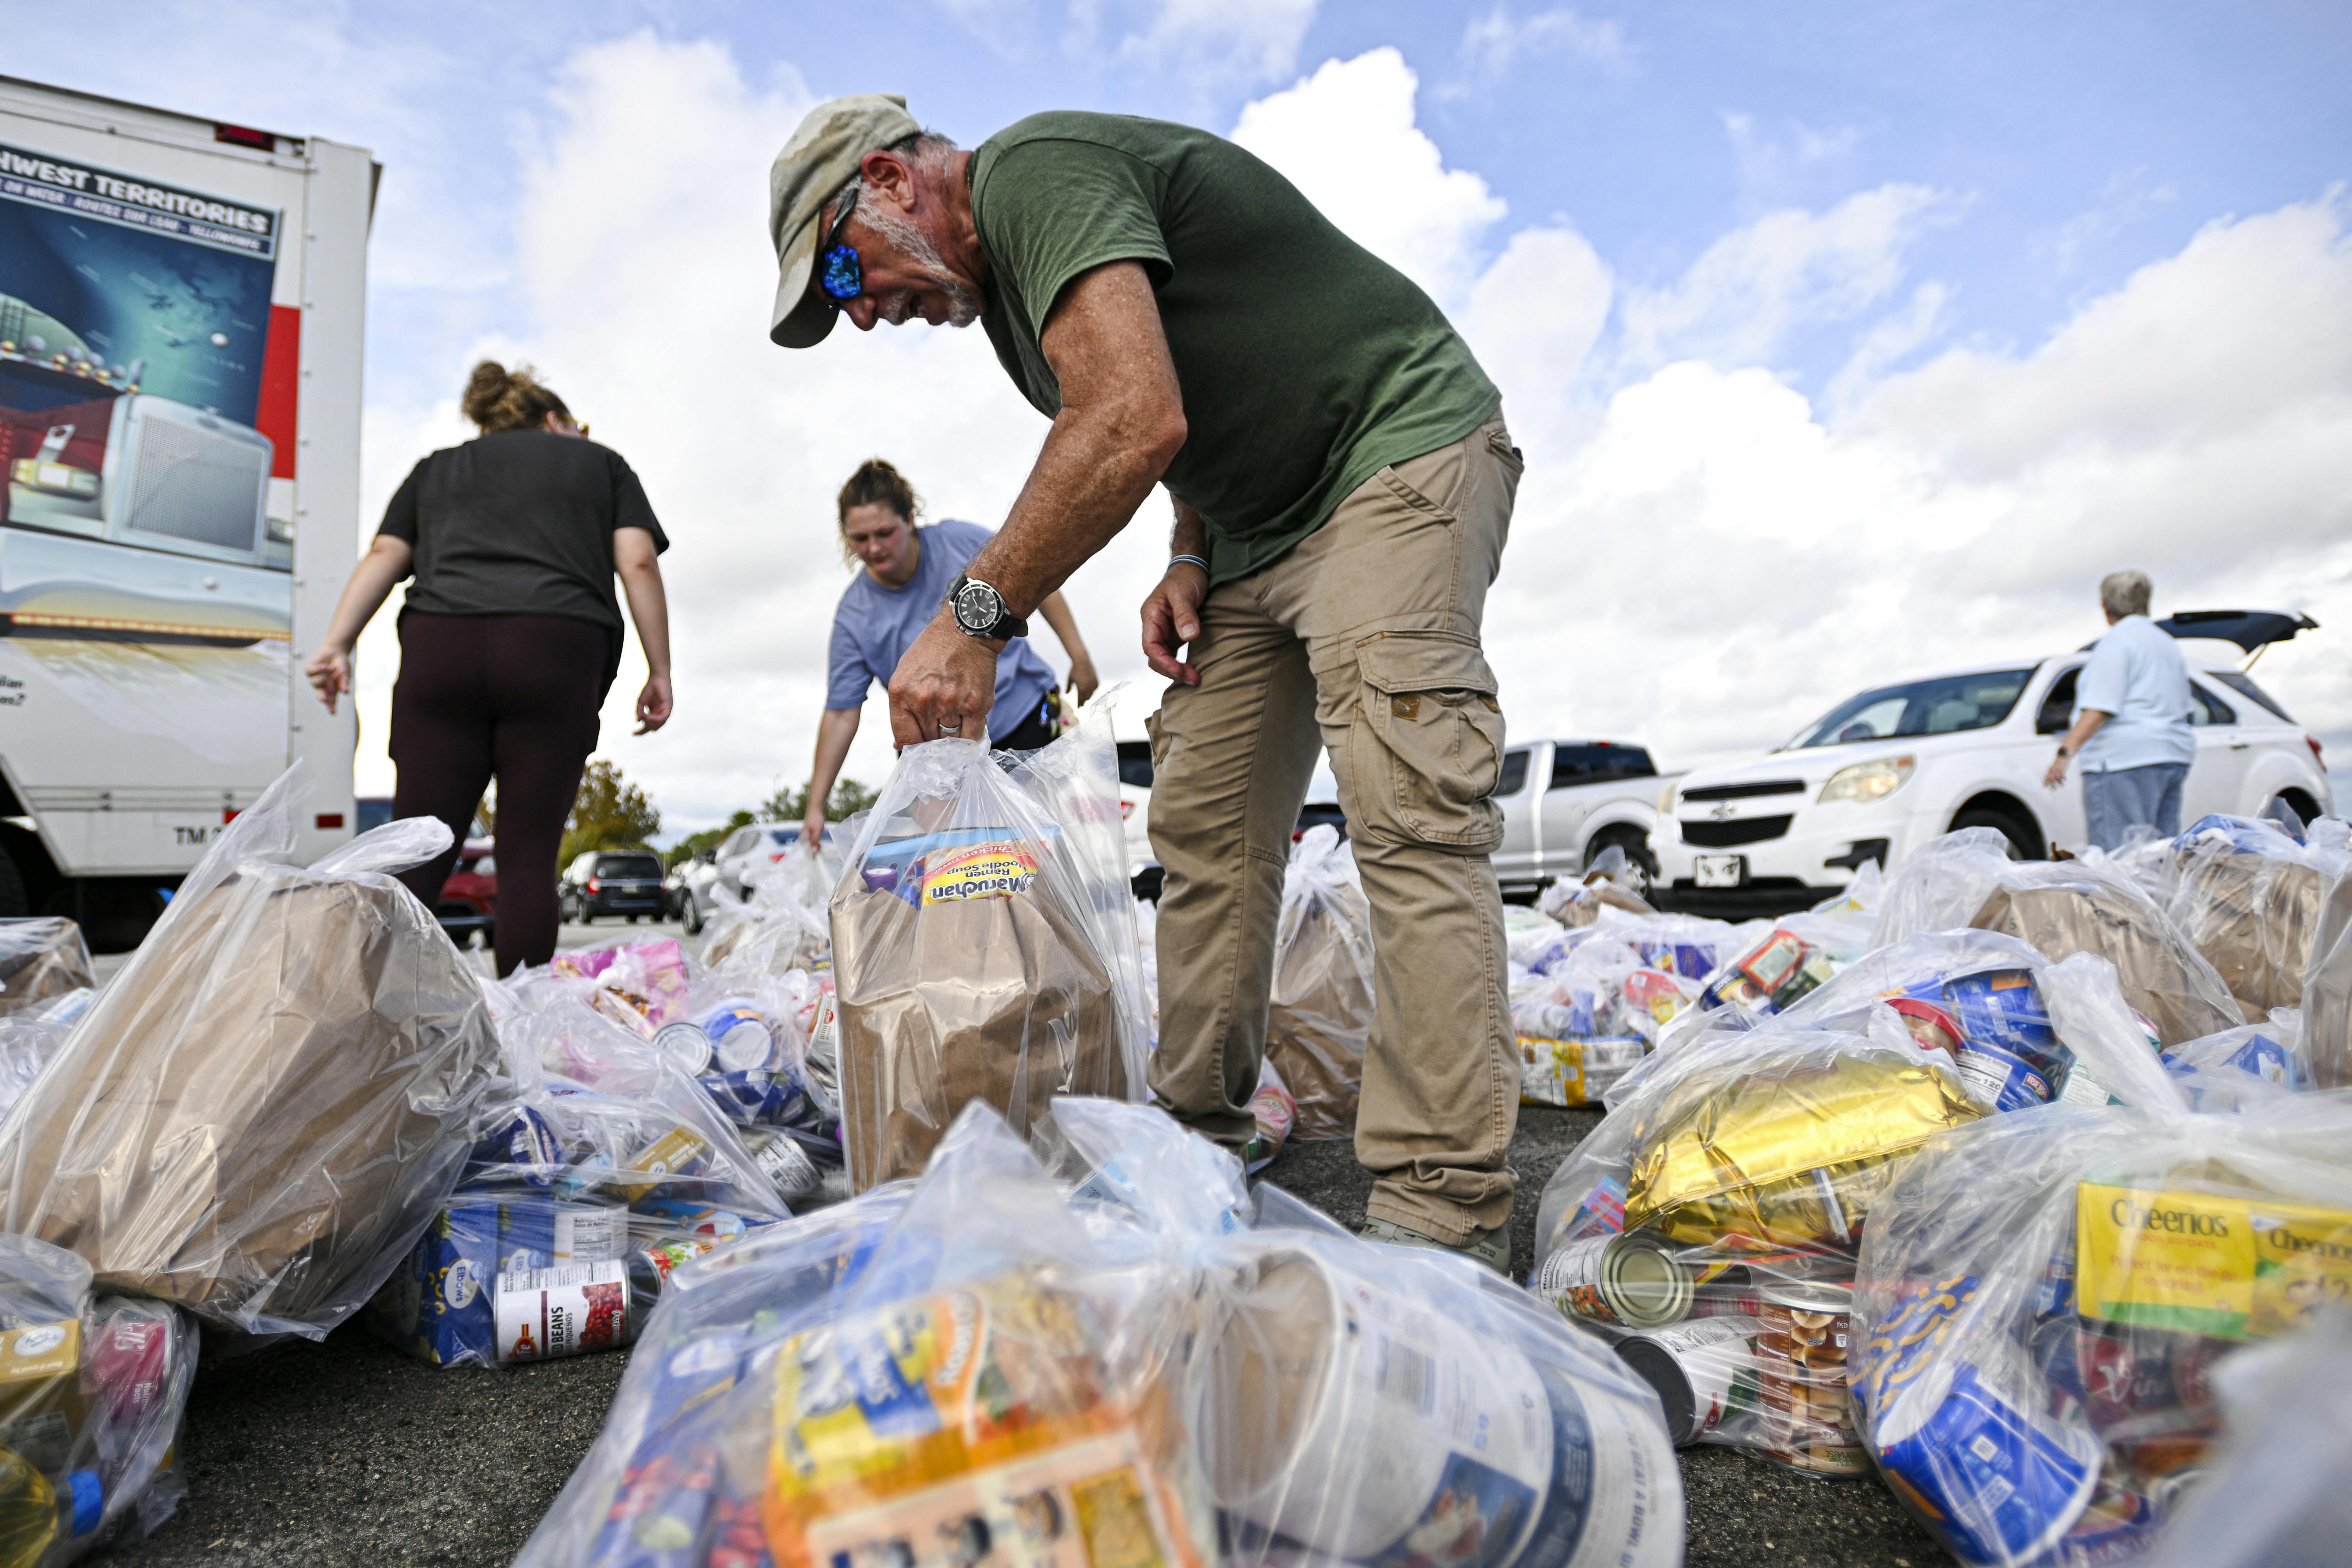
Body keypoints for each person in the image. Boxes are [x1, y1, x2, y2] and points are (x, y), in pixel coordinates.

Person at [764, 97, 1522, 1268]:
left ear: (891, 181)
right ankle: (1198, 1143)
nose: (863, 314)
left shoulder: (1031, 174)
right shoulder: (1015, 313)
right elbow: (1191, 398)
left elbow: (1132, 413)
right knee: (1207, 826)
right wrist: (1188, 549)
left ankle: (1439, 1213)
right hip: (1248, 531)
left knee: (1407, 811)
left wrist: (979, 615)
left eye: (843, 272)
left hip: (1390, 456)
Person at [305, 360, 674, 973]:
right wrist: (658, 668)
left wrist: (336, 643)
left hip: (440, 649)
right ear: (556, 421)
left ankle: (366, 1027)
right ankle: (526, 1031)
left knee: (416, 854)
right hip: (555, 649)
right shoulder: (600, 462)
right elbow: (637, 563)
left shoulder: (436, 470)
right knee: (527, 859)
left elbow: (385, 555)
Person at [803, 457, 1099, 847]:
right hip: (939, 753)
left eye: (884, 532)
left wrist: (1079, 655)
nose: (873, 548)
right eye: (860, 539)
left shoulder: (958, 541)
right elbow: (841, 712)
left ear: (910, 519)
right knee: (955, 863)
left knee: (1051, 844)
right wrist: (815, 805)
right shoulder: (854, 617)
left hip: (1032, 710)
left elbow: (1038, 581)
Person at [2044, 570, 2194, 849]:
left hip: (2123, 761)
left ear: (2106, 605)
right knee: (2158, 854)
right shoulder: (2167, 644)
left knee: (2120, 858)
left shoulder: (2116, 643)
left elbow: (2101, 707)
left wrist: (2065, 754)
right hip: (2173, 754)